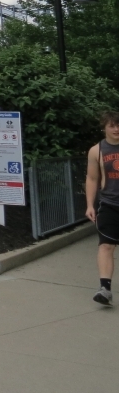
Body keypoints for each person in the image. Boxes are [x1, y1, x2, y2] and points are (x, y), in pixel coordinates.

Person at [86, 110, 119, 306]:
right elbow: (92, 178)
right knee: (106, 245)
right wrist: (90, 204)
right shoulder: (96, 151)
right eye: (112, 125)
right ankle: (105, 289)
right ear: (104, 127)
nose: (116, 129)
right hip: (109, 204)